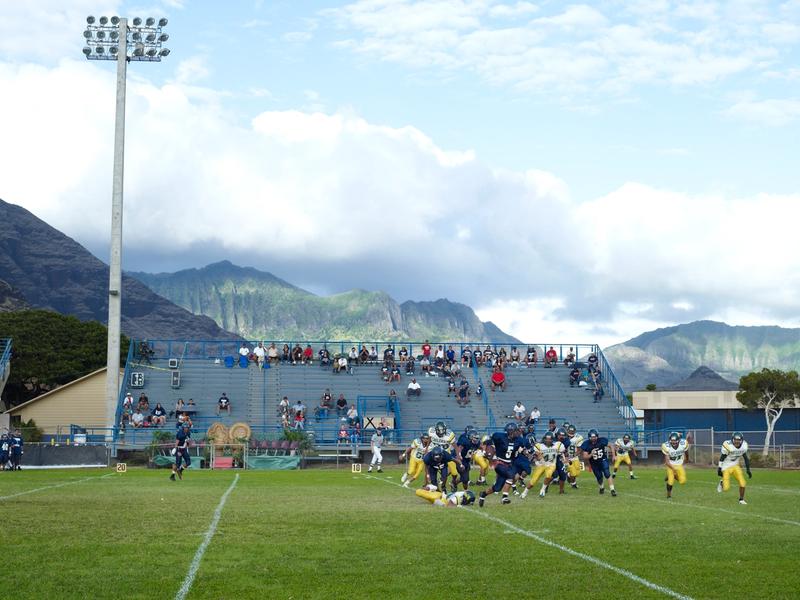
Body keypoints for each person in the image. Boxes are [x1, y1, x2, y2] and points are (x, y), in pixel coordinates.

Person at [478, 423, 521, 506]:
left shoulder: (517, 440)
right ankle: (504, 497)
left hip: (508, 464)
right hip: (499, 463)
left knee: (497, 488)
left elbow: (520, 448)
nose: (517, 432)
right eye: (515, 431)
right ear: (510, 431)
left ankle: (483, 495)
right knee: (511, 475)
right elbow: (487, 441)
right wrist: (486, 451)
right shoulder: (500, 436)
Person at [520, 431, 566, 499]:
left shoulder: (558, 445)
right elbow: (535, 457)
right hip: (541, 464)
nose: (548, 440)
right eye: (546, 439)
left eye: (550, 439)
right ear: (544, 439)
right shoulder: (539, 446)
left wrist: (564, 460)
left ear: (552, 439)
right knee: (533, 481)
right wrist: (537, 456)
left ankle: (543, 489)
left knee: (548, 475)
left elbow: (562, 453)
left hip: (551, 464)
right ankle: (525, 492)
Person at [716, 432, 752, 505]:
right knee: (726, 488)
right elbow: (722, 457)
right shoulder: (728, 445)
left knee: (742, 483)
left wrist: (748, 469)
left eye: (738, 440)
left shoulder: (744, 446)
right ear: (732, 439)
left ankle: (741, 500)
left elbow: (746, 458)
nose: (737, 441)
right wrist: (719, 468)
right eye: (735, 439)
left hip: (735, 465)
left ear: (741, 440)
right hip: (726, 466)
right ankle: (722, 482)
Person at [580, 429, 617, 496]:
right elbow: (585, 457)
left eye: (595, 437)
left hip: (603, 460)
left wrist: (614, 455)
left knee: (607, 473)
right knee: (599, 477)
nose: (593, 439)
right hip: (594, 463)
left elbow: (611, 445)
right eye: (592, 437)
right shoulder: (586, 444)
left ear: (597, 436)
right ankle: (601, 487)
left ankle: (612, 490)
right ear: (589, 437)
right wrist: (591, 454)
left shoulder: (601, 440)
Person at [428, 421, 459, 490]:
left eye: (442, 431)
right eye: (439, 431)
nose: (441, 433)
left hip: (446, 455)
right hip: (435, 455)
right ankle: (439, 486)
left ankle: (453, 483)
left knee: (454, 473)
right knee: (432, 469)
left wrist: (458, 457)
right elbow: (429, 440)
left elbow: (456, 447)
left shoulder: (449, 435)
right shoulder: (431, 432)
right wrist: (426, 448)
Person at [662, 432, 690, 499]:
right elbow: (667, 461)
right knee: (670, 482)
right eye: (672, 441)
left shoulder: (684, 444)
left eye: (675, 441)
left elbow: (686, 452)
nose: (673, 443)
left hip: (679, 464)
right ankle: (669, 495)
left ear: (679, 440)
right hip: (670, 465)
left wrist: (687, 459)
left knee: (683, 481)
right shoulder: (666, 446)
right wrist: (673, 469)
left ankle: (674, 476)